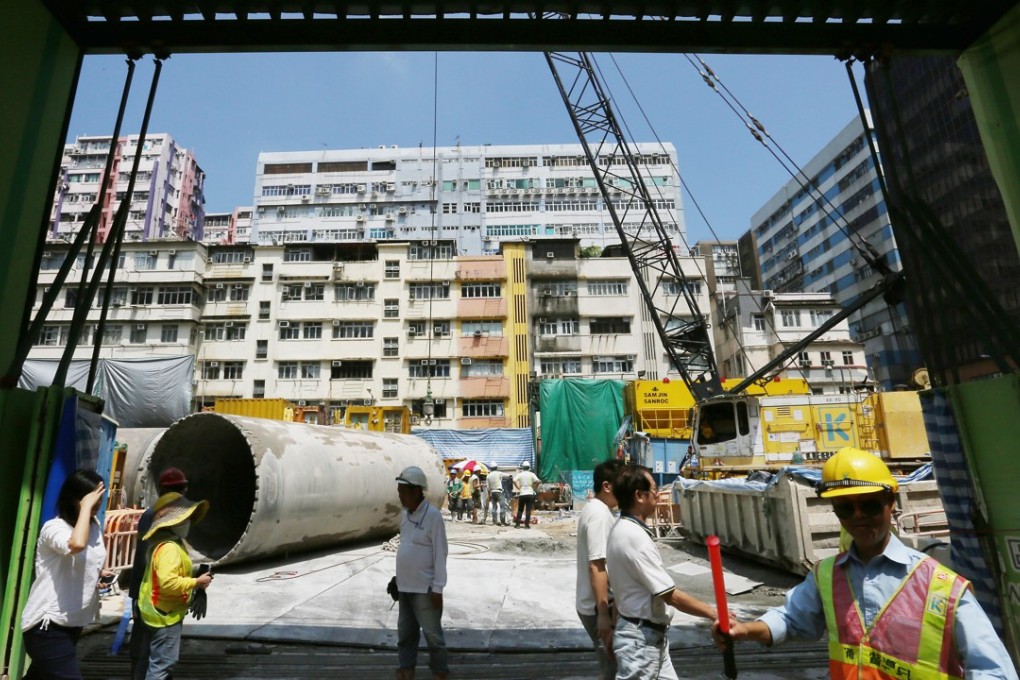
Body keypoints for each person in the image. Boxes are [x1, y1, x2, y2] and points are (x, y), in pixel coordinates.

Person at [711, 447, 1018, 680]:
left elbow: (994, 671)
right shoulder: (827, 576)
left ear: (890, 503)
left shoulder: (942, 587)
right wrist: (744, 629)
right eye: (845, 507)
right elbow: (791, 619)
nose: (857, 515)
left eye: (869, 505)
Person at [607, 464, 720, 680]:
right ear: (639, 496)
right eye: (654, 492)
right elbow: (669, 594)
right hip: (640, 640)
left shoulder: (622, 528)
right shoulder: (633, 537)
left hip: (648, 636)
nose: (657, 497)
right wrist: (713, 613)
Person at [20, 469, 110, 680]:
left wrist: (98, 574)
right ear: (74, 499)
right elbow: (76, 545)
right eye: (92, 500)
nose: (97, 505)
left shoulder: (93, 526)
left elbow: (88, 559)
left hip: (73, 622)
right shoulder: (54, 528)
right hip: (48, 626)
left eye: (99, 499)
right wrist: (86, 507)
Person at [135, 492, 213, 680]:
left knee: (150, 662)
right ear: (173, 524)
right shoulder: (170, 548)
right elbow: (168, 583)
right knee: (162, 665)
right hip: (165, 617)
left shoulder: (163, 544)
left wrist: (193, 577)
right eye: (183, 519)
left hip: (153, 612)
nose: (187, 523)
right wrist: (196, 582)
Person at [128, 467, 189, 677]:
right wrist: (195, 584)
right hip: (158, 603)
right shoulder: (165, 517)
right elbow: (152, 564)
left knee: (147, 655)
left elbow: (141, 560)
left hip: (146, 596)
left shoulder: (151, 514)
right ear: (183, 489)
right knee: (156, 659)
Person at [394, 466, 449, 680]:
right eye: (399, 491)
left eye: (403, 491)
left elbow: (440, 553)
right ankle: (406, 670)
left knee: (433, 635)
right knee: (405, 634)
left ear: (417, 490)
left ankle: (440, 672)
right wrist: (397, 578)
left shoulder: (433, 517)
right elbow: (406, 546)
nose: (400, 495)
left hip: (425, 589)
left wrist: (438, 587)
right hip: (405, 587)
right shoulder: (404, 516)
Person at [576, 458, 625, 680]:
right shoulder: (599, 515)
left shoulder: (598, 510)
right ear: (606, 486)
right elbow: (596, 565)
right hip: (600, 607)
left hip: (599, 605)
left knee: (612, 669)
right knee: (614, 670)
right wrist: (604, 614)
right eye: (622, 484)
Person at [513, 461, 540, 529]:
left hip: (522, 493)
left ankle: (518, 524)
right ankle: (526, 525)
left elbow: (514, 480)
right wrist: (535, 487)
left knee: (520, 509)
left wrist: (517, 487)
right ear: (529, 467)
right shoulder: (531, 474)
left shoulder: (520, 474)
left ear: (523, 467)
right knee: (528, 510)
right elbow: (538, 481)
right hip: (530, 493)